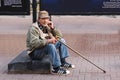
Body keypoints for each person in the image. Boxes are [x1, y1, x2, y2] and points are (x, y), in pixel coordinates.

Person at [26, 10, 75, 75]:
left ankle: (63, 62)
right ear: (38, 19)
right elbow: (34, 43)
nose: (45, 20)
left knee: (62, 41)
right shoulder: (33, 29)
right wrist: (49, 41)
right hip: (35, 52)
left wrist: (53, 28)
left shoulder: (46, 26)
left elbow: (59, 37)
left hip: (43, 48)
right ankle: (56, 68)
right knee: (50, 46)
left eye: (46, 18)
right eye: (43, 18)